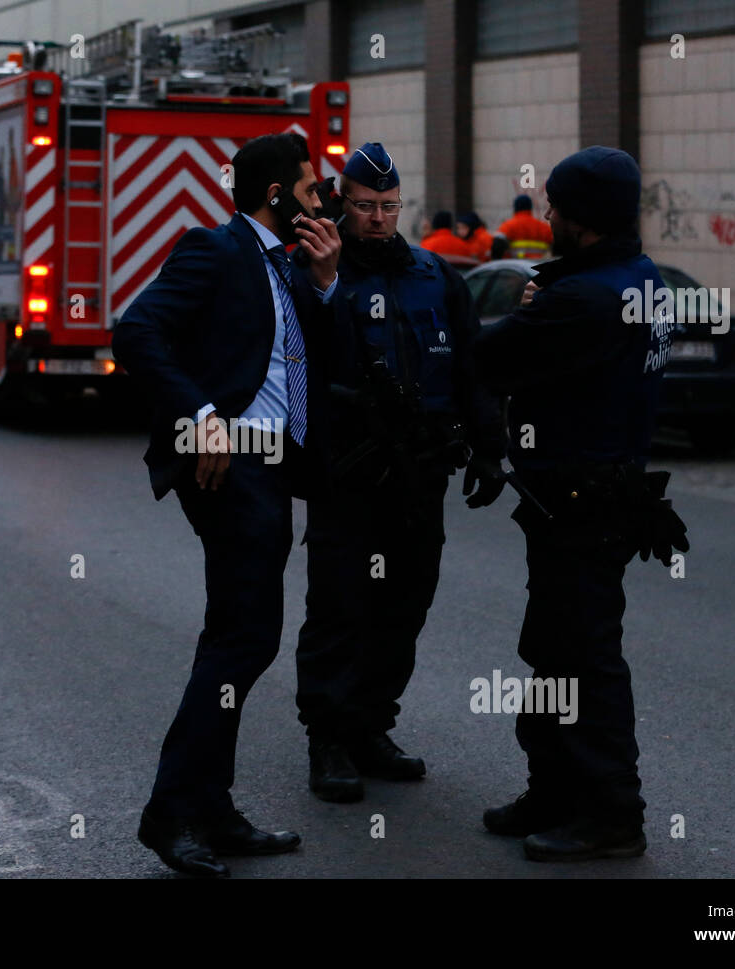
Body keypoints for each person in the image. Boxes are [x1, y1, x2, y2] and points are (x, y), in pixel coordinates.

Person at [111, 132, 344, 878]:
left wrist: (329, 277)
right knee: (241, 641)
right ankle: (172, 811)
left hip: (274, 469)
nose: (321, 202)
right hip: (230, 462)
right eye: (311, 191)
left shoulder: (289, 268)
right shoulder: (214, 249)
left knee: (243, 638)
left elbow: (312, 355)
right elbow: (138, 330)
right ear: (275, 197)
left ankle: (210, 806)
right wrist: (201, 411)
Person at [473, 146, 688, 862]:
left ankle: (610, 813)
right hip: (599, 497)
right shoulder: (640, 279)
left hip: (581, 502)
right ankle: (555, 790)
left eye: (558, 206)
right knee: (552, 649)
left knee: (584, 659)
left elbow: (488, 360)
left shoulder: (584, 298)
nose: (548, 216)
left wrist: (530, 308)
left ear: (585, 217)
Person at [298, 143, 507, 802]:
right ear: (342, 200)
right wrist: (323, 281)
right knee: (339, 606)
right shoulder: (318, 272)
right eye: (365, 206)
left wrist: (490, 448)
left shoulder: (434, 276)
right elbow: (301, 356)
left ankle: (370, 726)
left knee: (406, 601)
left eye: (388, 206)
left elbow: (474, 370)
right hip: (349, 473)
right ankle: (328, 738)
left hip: (421, 473)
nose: (379, 218)